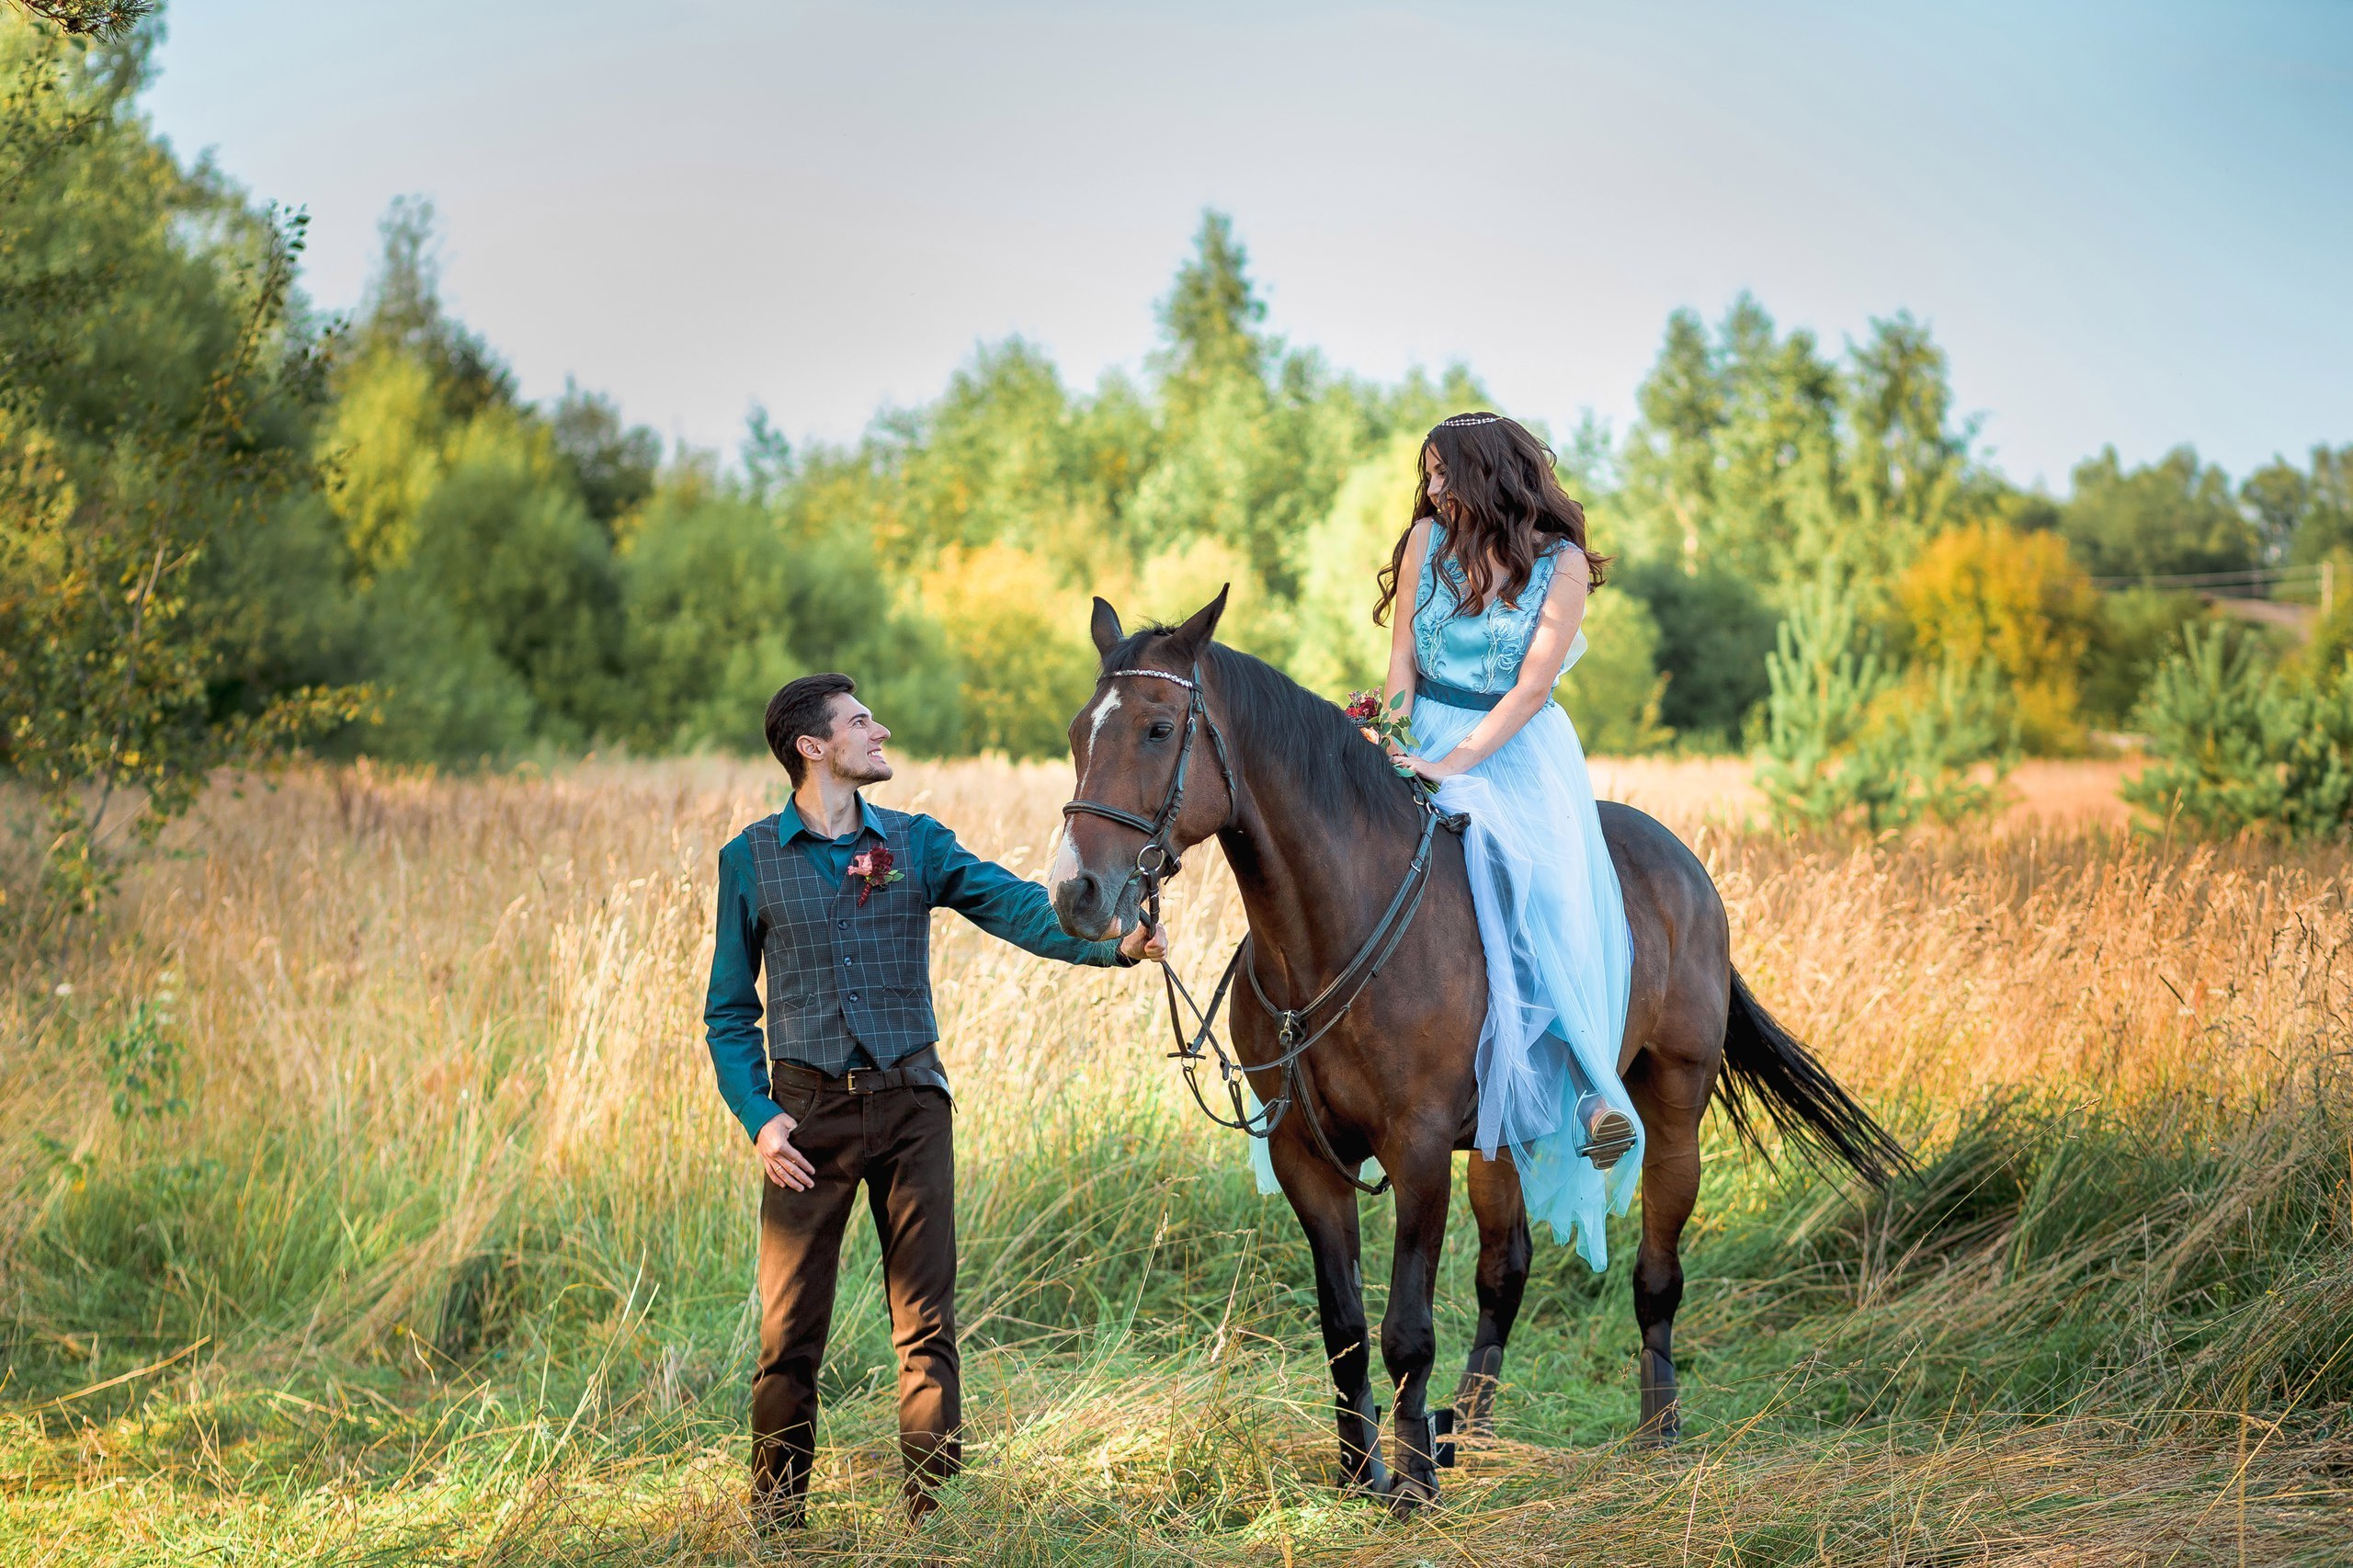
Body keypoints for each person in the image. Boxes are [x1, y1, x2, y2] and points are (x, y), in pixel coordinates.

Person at [704, 672, 1165, 1528]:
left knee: (926, 1324)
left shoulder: (916, 843)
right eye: (858, 722)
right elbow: (729, 1012)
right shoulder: (750, 860)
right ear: (813, 747)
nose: (879, 730)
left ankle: (932, 1516)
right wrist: (761, 1118)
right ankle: (776, 1521)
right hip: (805, 1121)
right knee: (788, 1338)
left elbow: (1017, 907)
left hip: (915, 1104)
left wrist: (1115, 947)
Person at [1376, 410, 1645, 1271]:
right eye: (1427, 476)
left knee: (1530, 878)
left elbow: (1530, 690)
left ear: (1488, 474)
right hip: (1424, 731)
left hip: (1515, 754)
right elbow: (1400, 667)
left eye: (1443, 475)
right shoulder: (1426, 540)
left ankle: (1584, 1094)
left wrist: (1453, 762)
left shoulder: (1560, 566)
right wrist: (1388, 736)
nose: (1431, 490)